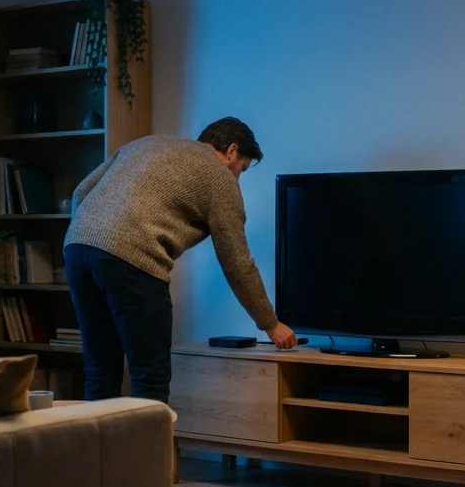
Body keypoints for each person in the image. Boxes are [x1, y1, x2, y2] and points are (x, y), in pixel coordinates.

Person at [63, 117, 298, 404]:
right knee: (149, 378)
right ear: (232, 150)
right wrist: (270, 324)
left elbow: (81, 191)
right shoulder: (219, 176)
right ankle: (150, 436)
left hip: (77, 248)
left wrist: (92, 239)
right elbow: (237, 262)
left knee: (100, 370)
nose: (237, 178)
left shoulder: (148, 143)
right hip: (131, 258)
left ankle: (99, 436)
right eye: (242, 169)